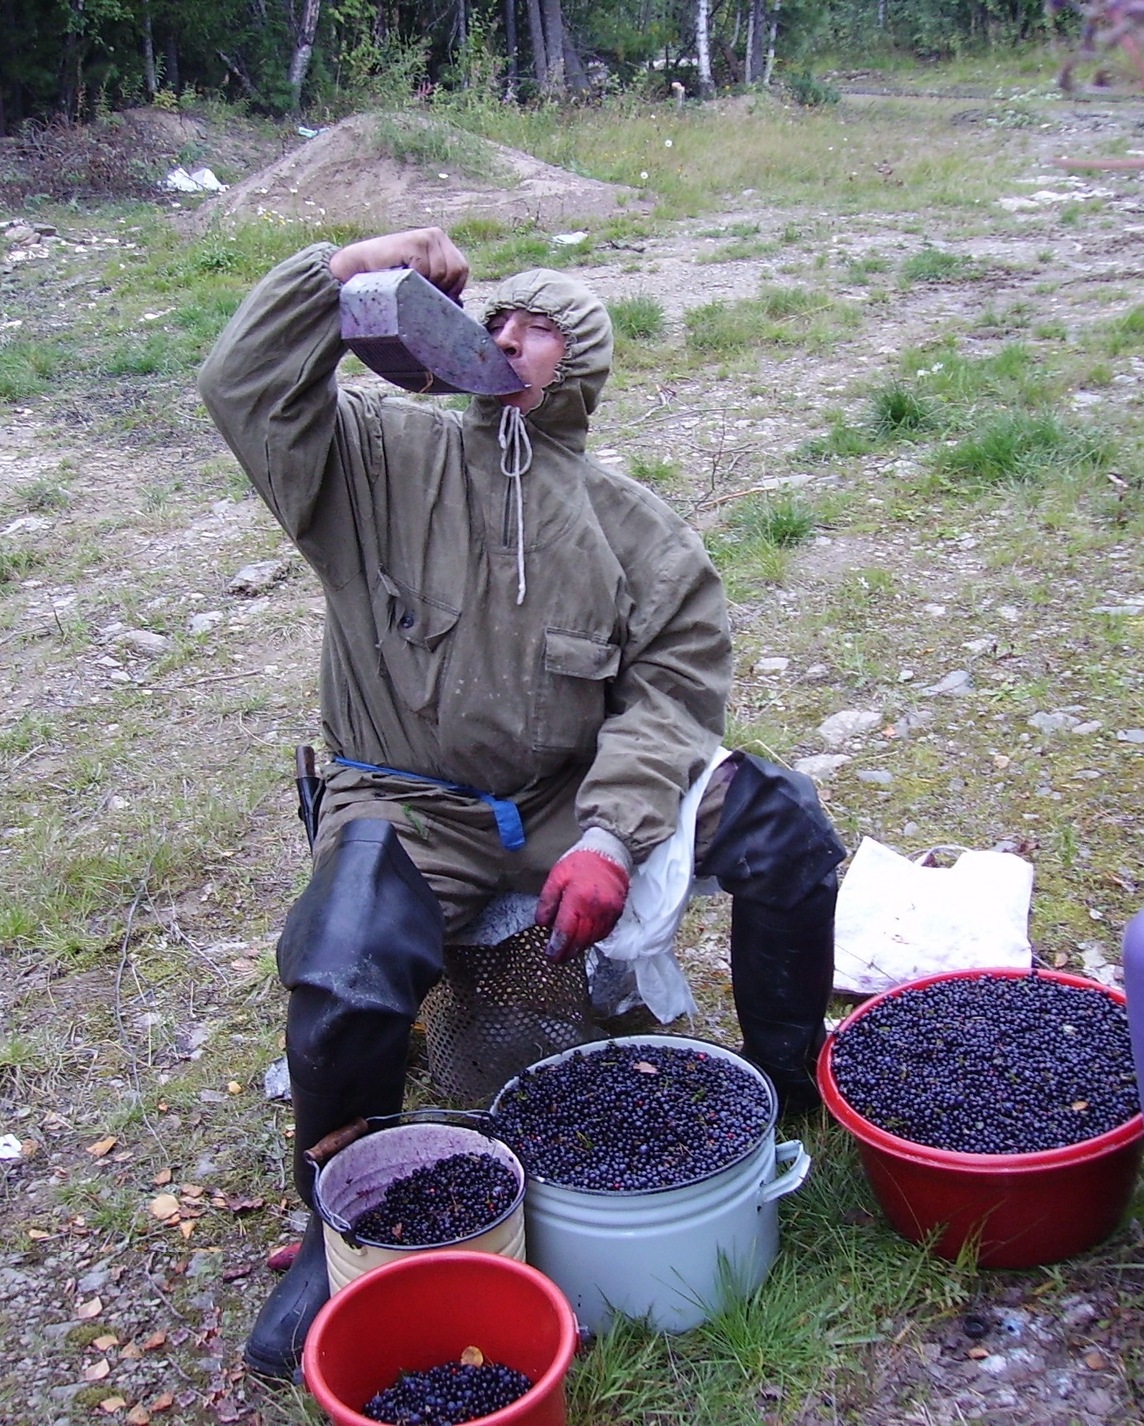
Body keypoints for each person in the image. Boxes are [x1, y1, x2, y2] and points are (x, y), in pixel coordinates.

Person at [197, 228, 845, 1380]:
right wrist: (344, 270)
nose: (499, 336)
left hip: (565, 799)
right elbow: (239, 382)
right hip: (404, 795)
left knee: (783, 823)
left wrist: (610, 834)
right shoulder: (375, 459)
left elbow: (676, 691)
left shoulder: (636, 530)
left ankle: (791, 1096)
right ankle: (331, 1236)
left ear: (578, 367)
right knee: (345, 961)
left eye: (531, 329)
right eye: (490, 320)